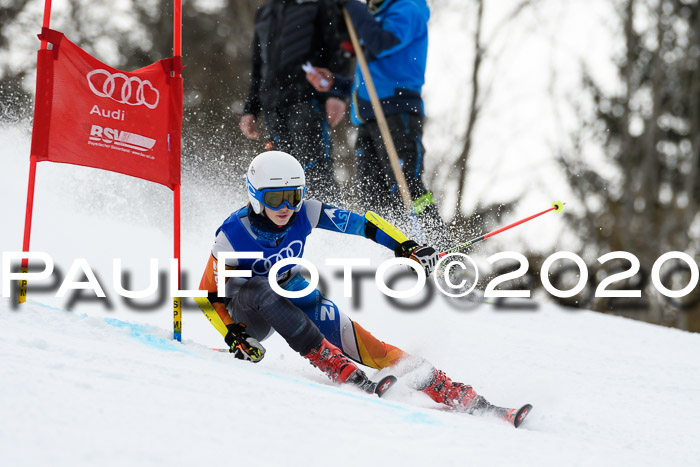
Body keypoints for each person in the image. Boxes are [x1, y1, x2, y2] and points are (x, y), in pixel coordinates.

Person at [196, 150, 505, 416]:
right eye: (275, 199)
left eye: (293, 196)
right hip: (246, 314)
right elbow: (205, 295)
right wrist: (232, 334)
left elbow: (361, 225)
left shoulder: (305, 212)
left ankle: (444, 387)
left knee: (317, 304)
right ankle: (329, 360)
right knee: (263, 286)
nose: (286, 207)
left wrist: (404, 246)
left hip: (286, 294)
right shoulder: (233, 235)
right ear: (255, 196)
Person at [305, 0, 447, 247]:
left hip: (397, 111)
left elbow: (382, 43)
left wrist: (352, 6)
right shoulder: (376, 14)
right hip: (368, 117)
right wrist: (334, 83)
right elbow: (370, 76)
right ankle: (392, 251)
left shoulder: (407, 9)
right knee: (373, 195)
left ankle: (439, 246)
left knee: (406, 184)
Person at [239, 0, 349, 201]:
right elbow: (258, 67)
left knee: (314, 169)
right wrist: (250, 110)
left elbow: (339, 51)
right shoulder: (265, 12)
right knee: (281, 176)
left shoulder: (319, 5)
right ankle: (288, 228)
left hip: (307, 100)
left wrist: (337, 94)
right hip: (273, 105)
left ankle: (330, 228)